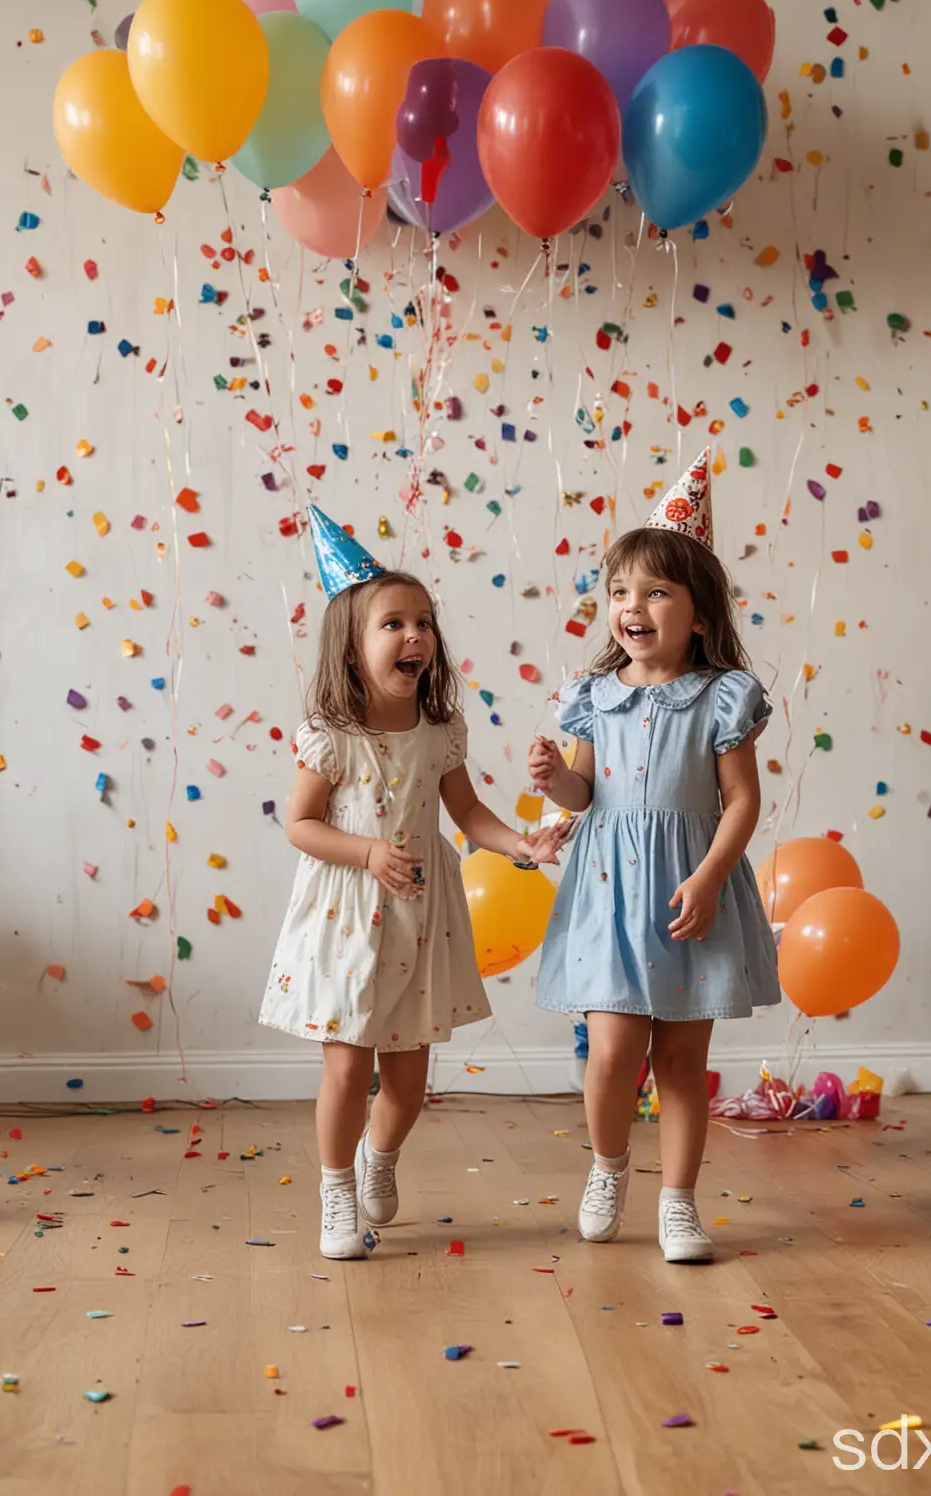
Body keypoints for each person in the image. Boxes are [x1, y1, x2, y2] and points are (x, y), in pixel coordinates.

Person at [263, 509, 563, 1261]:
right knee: (346, 1065)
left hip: (421, 919)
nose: (414, 636)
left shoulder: (439, 732)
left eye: (422, 622)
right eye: (392, 623)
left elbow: (465, 812)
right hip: (346, 917)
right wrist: (365, 853)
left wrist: (521, 844)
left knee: (407, 1079)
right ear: (352, 646)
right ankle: (336, 1189)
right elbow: (300, 824)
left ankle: (379, 1157)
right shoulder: (330, 737)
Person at [528, 452, 779, 1263]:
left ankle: (678, 1202)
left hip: (686, 897)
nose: (632, 606)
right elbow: (582, 797)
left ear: (700, 614)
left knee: (679, 1061)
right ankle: (608, 1167)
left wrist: (708, 878)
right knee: (610, 1055)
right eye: (620, 592)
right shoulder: (595, 697)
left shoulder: (721, 696)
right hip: (607, 894)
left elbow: (741, 801)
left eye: (656, 592)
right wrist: (555, 778)